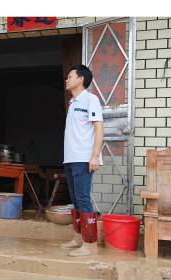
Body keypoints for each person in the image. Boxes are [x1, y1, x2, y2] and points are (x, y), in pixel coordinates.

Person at [62, 65, 104, 256]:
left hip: (83, 158)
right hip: (70, 158)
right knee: (75, 200)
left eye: (70, 76)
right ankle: (78, 238)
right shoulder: (73, 102)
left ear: (80, 79)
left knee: (84, 199)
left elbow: (99, 128)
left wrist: (95, 155)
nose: (67, 79)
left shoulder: (90, 99)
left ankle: (90, 244)